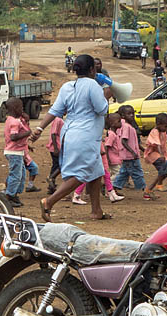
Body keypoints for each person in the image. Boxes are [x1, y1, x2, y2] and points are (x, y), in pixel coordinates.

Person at [29, 54, 114, 221]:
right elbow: (102, 109)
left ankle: (96, 210)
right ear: (92, 70)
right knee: (81, 174)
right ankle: (49, 202)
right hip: (86, 136)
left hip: (70, 134)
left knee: (96, 171)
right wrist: (108, 93)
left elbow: (55, 110)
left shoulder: (67, 86)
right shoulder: (93, 85)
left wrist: (39, 128)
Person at [73, 120, 124, 204]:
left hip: (99, 156)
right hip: (97, 156)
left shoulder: (96, 131)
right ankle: (77, 194)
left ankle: (111, 193)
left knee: (106, 175)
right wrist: (100, 152)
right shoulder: (93, 132)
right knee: (88, 176)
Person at [2, 97, 32, 207]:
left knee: (21, 174)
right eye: (21, 107)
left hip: (17, 152)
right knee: (16, 174)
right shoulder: (14, 122)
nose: (23, 109)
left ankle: (13, 193)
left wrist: (26, 120)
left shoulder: (11, 119)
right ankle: (10, 195)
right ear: (15, 108)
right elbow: (13, 136)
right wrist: (27, 133)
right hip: (14, 152)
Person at [112, 105, 146, 194]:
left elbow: (132, 141)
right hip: (130, 156)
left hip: (127, 155)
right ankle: (145, 191)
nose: (132, 115)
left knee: (124, 173)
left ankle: (112, 188)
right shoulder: (126, 126)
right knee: (137, 173)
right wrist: (133, 152)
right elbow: (124, 141)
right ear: (123, 115)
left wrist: (142, 149)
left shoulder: (124, 125)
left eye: (132, 113)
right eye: (129, 114)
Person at [143, 113, 167, 199]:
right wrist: (162, 154)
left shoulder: (162, 131)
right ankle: (149, 189)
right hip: (153, 155)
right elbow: (157, 144)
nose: (166, 129)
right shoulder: (154, 132)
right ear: (158, 124)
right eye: (165, 126)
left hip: (159, 155)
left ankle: (152, 188)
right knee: (163, 171)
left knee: (166, 172)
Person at [45, 116, 64, 194]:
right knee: (61, 165)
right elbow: (53, 134)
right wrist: (56, 148)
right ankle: (51, 178)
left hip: (58, 146)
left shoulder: (59, 119)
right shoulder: (57, 120)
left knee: (55, 165)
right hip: (56, 147)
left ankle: (51, 185)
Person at [105, 113, 123, 188]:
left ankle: (111, 189)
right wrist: (108, 158)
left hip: (116, 158)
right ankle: (108, 187)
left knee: (114, 173)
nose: (121, 123)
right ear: (112, 124)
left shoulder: (115, 134)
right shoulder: (111, 134)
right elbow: (107, 146)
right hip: (113, 159)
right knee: (118, 174)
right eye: (118, 121)